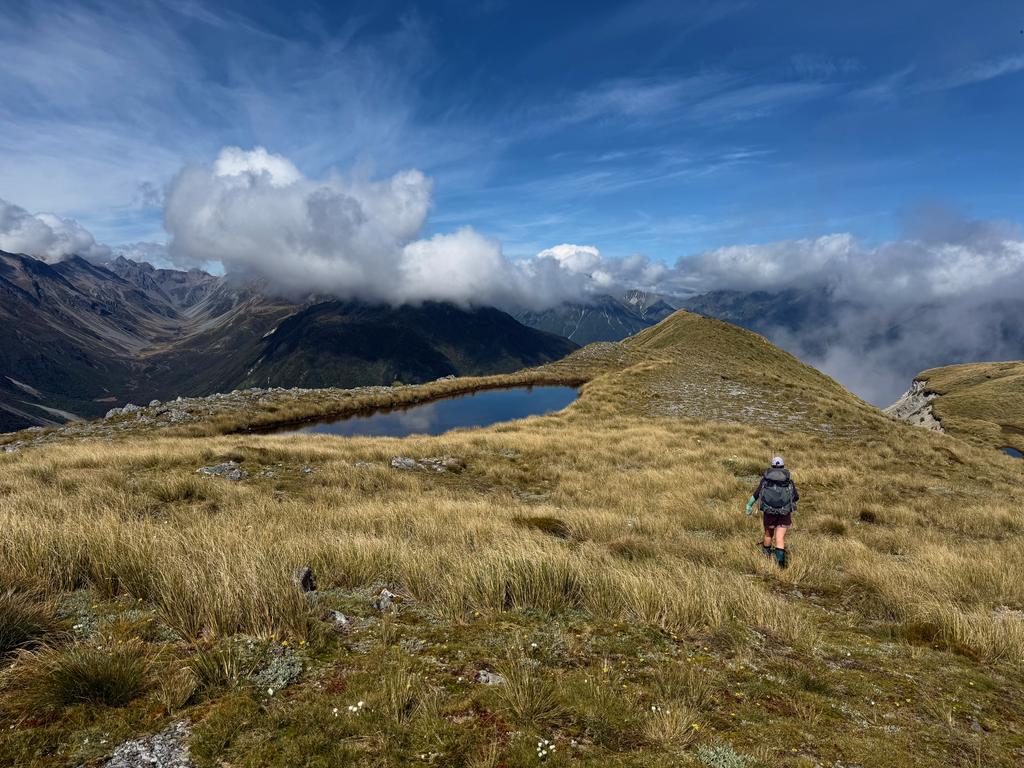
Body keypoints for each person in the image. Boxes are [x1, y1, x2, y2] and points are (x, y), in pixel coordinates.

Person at [745, 456, 798, 568]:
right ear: (783, 467)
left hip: (769, 512)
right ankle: (781, 566)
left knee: (768, 534)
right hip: (784, 513)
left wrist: (749, 505)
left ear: (772, 467)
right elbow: (796, 497)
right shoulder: (788, 481)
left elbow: (756, 494)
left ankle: (766, 559)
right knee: (780, 538)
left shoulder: (765, 481)